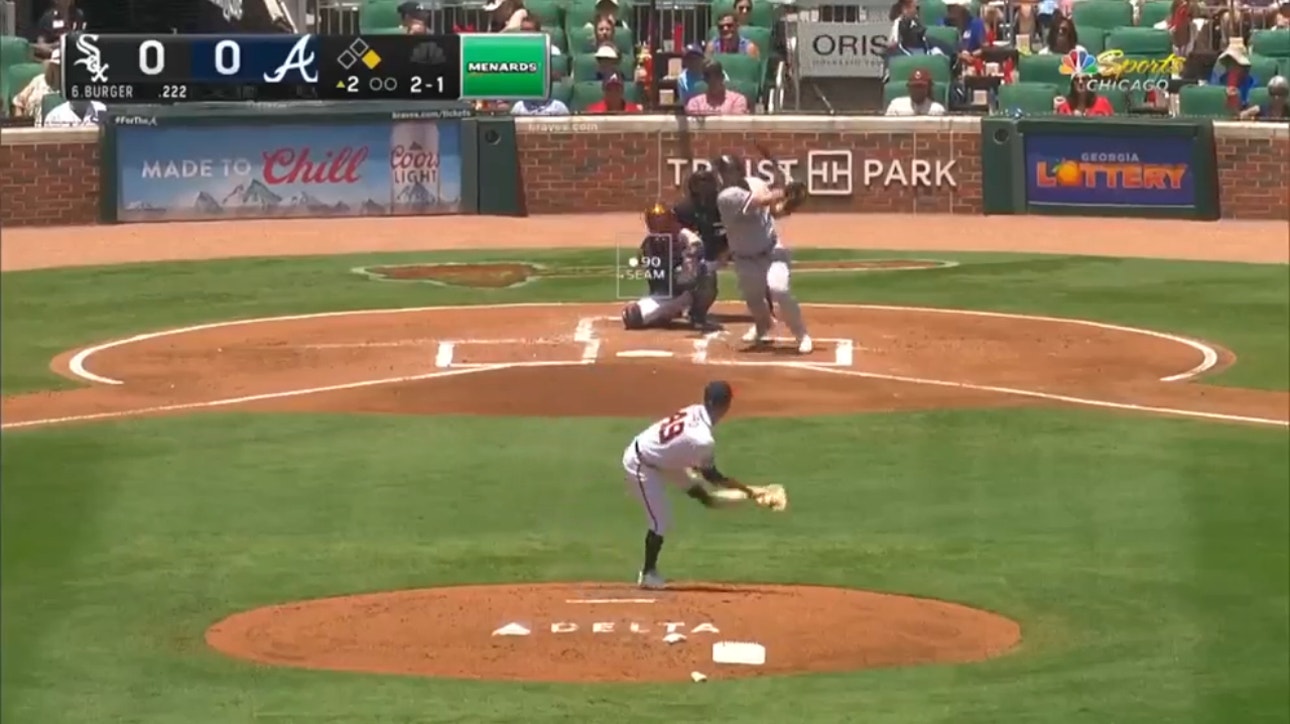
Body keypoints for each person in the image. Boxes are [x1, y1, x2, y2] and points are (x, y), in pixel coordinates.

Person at [623, 381, 760, 589]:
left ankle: (718, 501)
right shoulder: (703, 440)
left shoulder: (695, 410)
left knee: (701, 494)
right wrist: (750, 490)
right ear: (724, 406)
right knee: (660, 522)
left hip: (661, 456)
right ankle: (648, 574)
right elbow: (713, 477)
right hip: (642, 463)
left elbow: (682, 449)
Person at [713, 154, 812, 354]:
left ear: (738, 170)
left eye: (728, 171)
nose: (725, 176)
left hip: (771, 250)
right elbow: (762, 200)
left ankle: (802, 334)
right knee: (754, 299)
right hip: (744, 257)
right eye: (723, 172)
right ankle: (762, 326)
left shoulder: (756, 184)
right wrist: (787, 190)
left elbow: (774, 211)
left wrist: (792, 203)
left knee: (779, 289)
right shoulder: (726, 197)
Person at [620, 203, 705, 330]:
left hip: (686, 293)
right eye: (654, 220)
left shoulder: (686, 238)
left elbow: (696, 258)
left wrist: (687, 262)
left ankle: (696, 313)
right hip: (662, 294)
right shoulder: (649, 243)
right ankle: (668, 312)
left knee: (707, 274)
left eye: (661, 220)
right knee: (632, 316)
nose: (657, 224)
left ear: (670, 219)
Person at [672, 169, 728, 329]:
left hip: (716, 254)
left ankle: (697, 314)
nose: (705, 188)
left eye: (708, 183)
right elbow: (671, 238)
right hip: (685, 259)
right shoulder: (683, 209)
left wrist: (726, 253)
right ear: (693, 187)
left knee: (757, 261)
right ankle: (675, 300)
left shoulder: (722, 207)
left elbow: (735, 233)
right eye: (701, 184)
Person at [685, 60, 750, 115]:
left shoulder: (737, 100)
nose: (712, 79)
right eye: (708, 76)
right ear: (704, 80)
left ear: (722, 77)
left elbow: (736, 123)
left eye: (716, 74)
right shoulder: (695, 103)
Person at [13, 50, 60, 121]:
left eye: (60, 66)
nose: (57, 69)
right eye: (54, 65)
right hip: (30, 124)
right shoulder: (38, 81)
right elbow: (19, 102)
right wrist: (20, 122)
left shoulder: (70, 89)